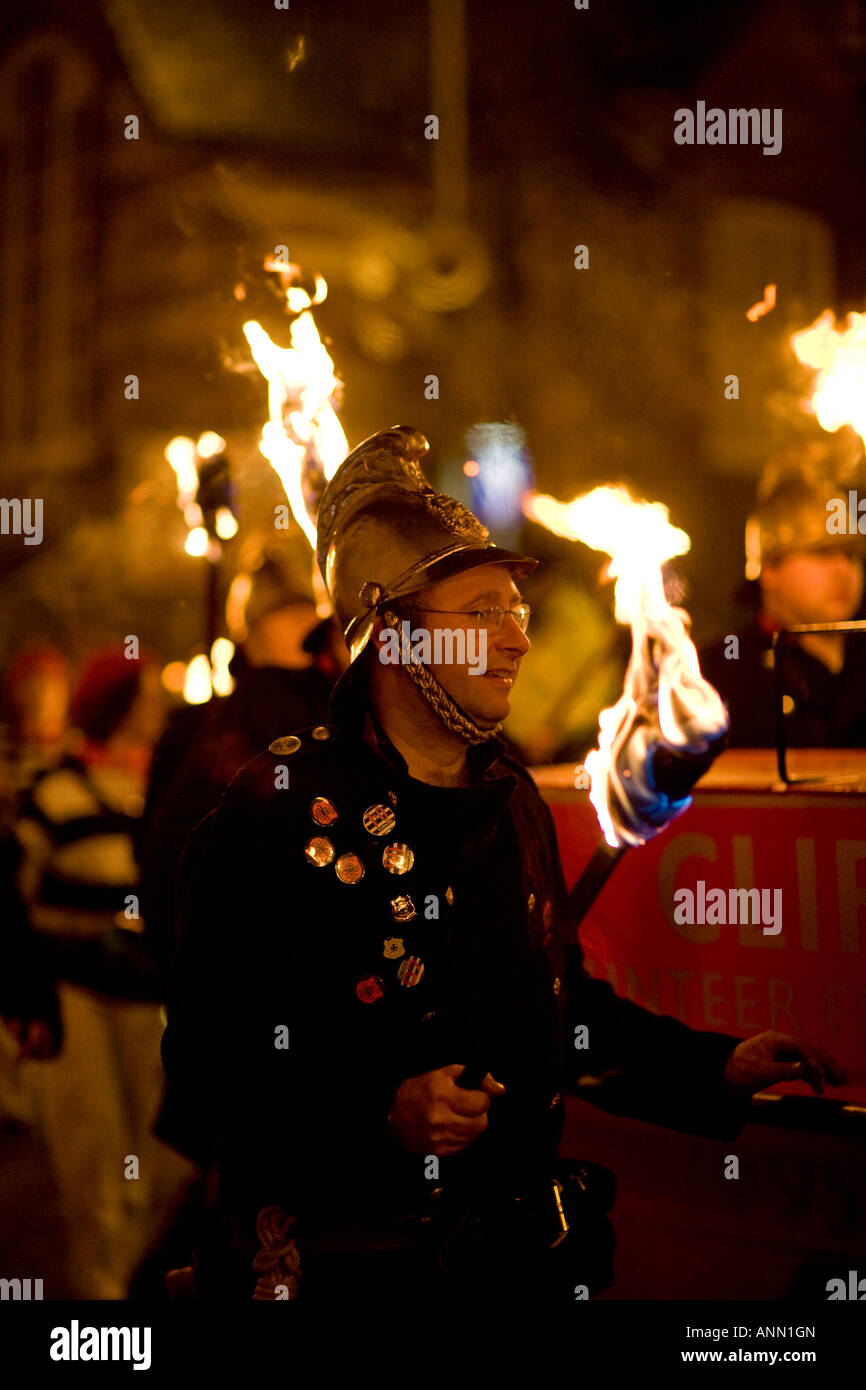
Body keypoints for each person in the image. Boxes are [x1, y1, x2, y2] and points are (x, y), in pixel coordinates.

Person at [160, 426, 845, 1307]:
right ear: (394, 637)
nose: (514, 641)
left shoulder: (510, 800)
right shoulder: (276, 811)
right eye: (479, 614)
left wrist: (714, 1065)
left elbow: (560, 1013)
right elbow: (211, 1065)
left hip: (510, 1272)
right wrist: (381, 1113)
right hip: (354, 1281)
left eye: (513, 614)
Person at [9, 648, 195, 1297]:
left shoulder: (166, 788)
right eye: (143, 694)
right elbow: (16, 901)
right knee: (95, 1162)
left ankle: (135, 1283)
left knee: (155, 1159)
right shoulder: (56, 790)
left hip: (147, 995)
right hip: (76, 993)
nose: (155, 707)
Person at [138, 546, 344, 982]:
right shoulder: (199, 730)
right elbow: (163, 852)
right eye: (283, 615)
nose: (299, 625)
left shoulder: (344, 716)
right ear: (251, 632)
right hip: (234, 970)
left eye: (303, 612)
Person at [700, 468, 866, 748]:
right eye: (822, 552)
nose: (843, 569)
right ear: (769, 569)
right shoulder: (719, 674)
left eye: (851, 554)